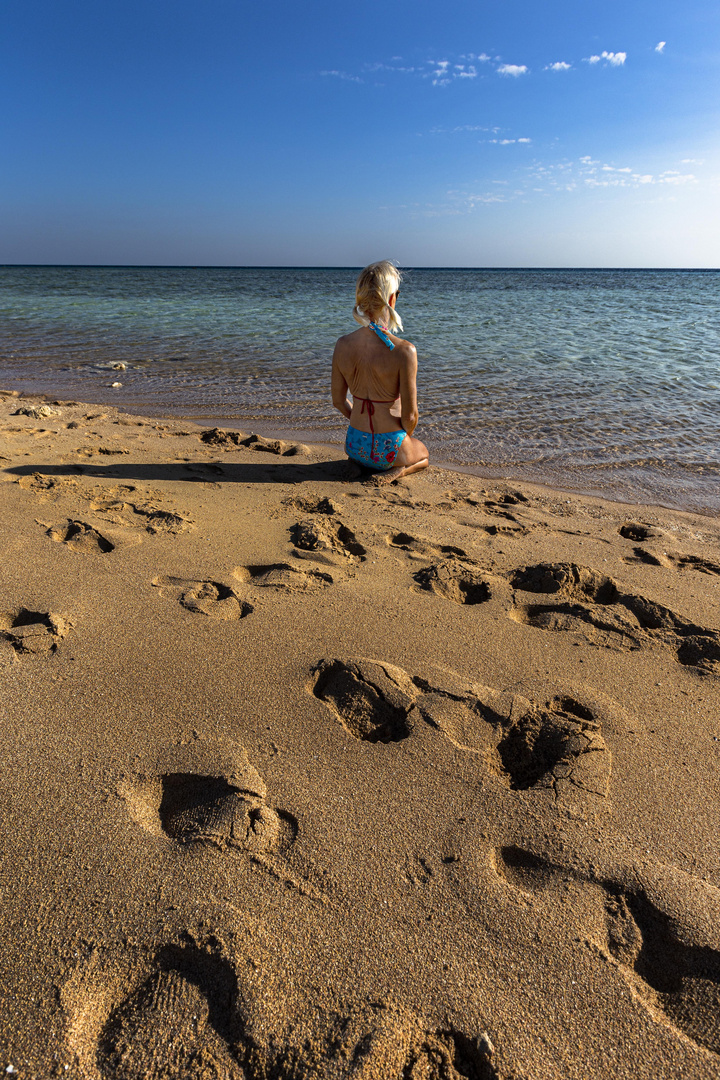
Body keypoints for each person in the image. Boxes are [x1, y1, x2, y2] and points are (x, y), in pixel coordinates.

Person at [331, 261, 429, 482]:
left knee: (366, 450)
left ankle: (359, 463)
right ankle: (399, 469)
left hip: (354, 443)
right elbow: (411, 416)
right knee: (423, 454)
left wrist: (361, 423)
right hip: (390, 448)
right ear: (393, 299)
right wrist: (400, 439)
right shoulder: (404, 350)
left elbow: (338, 401)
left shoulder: (342, 344)